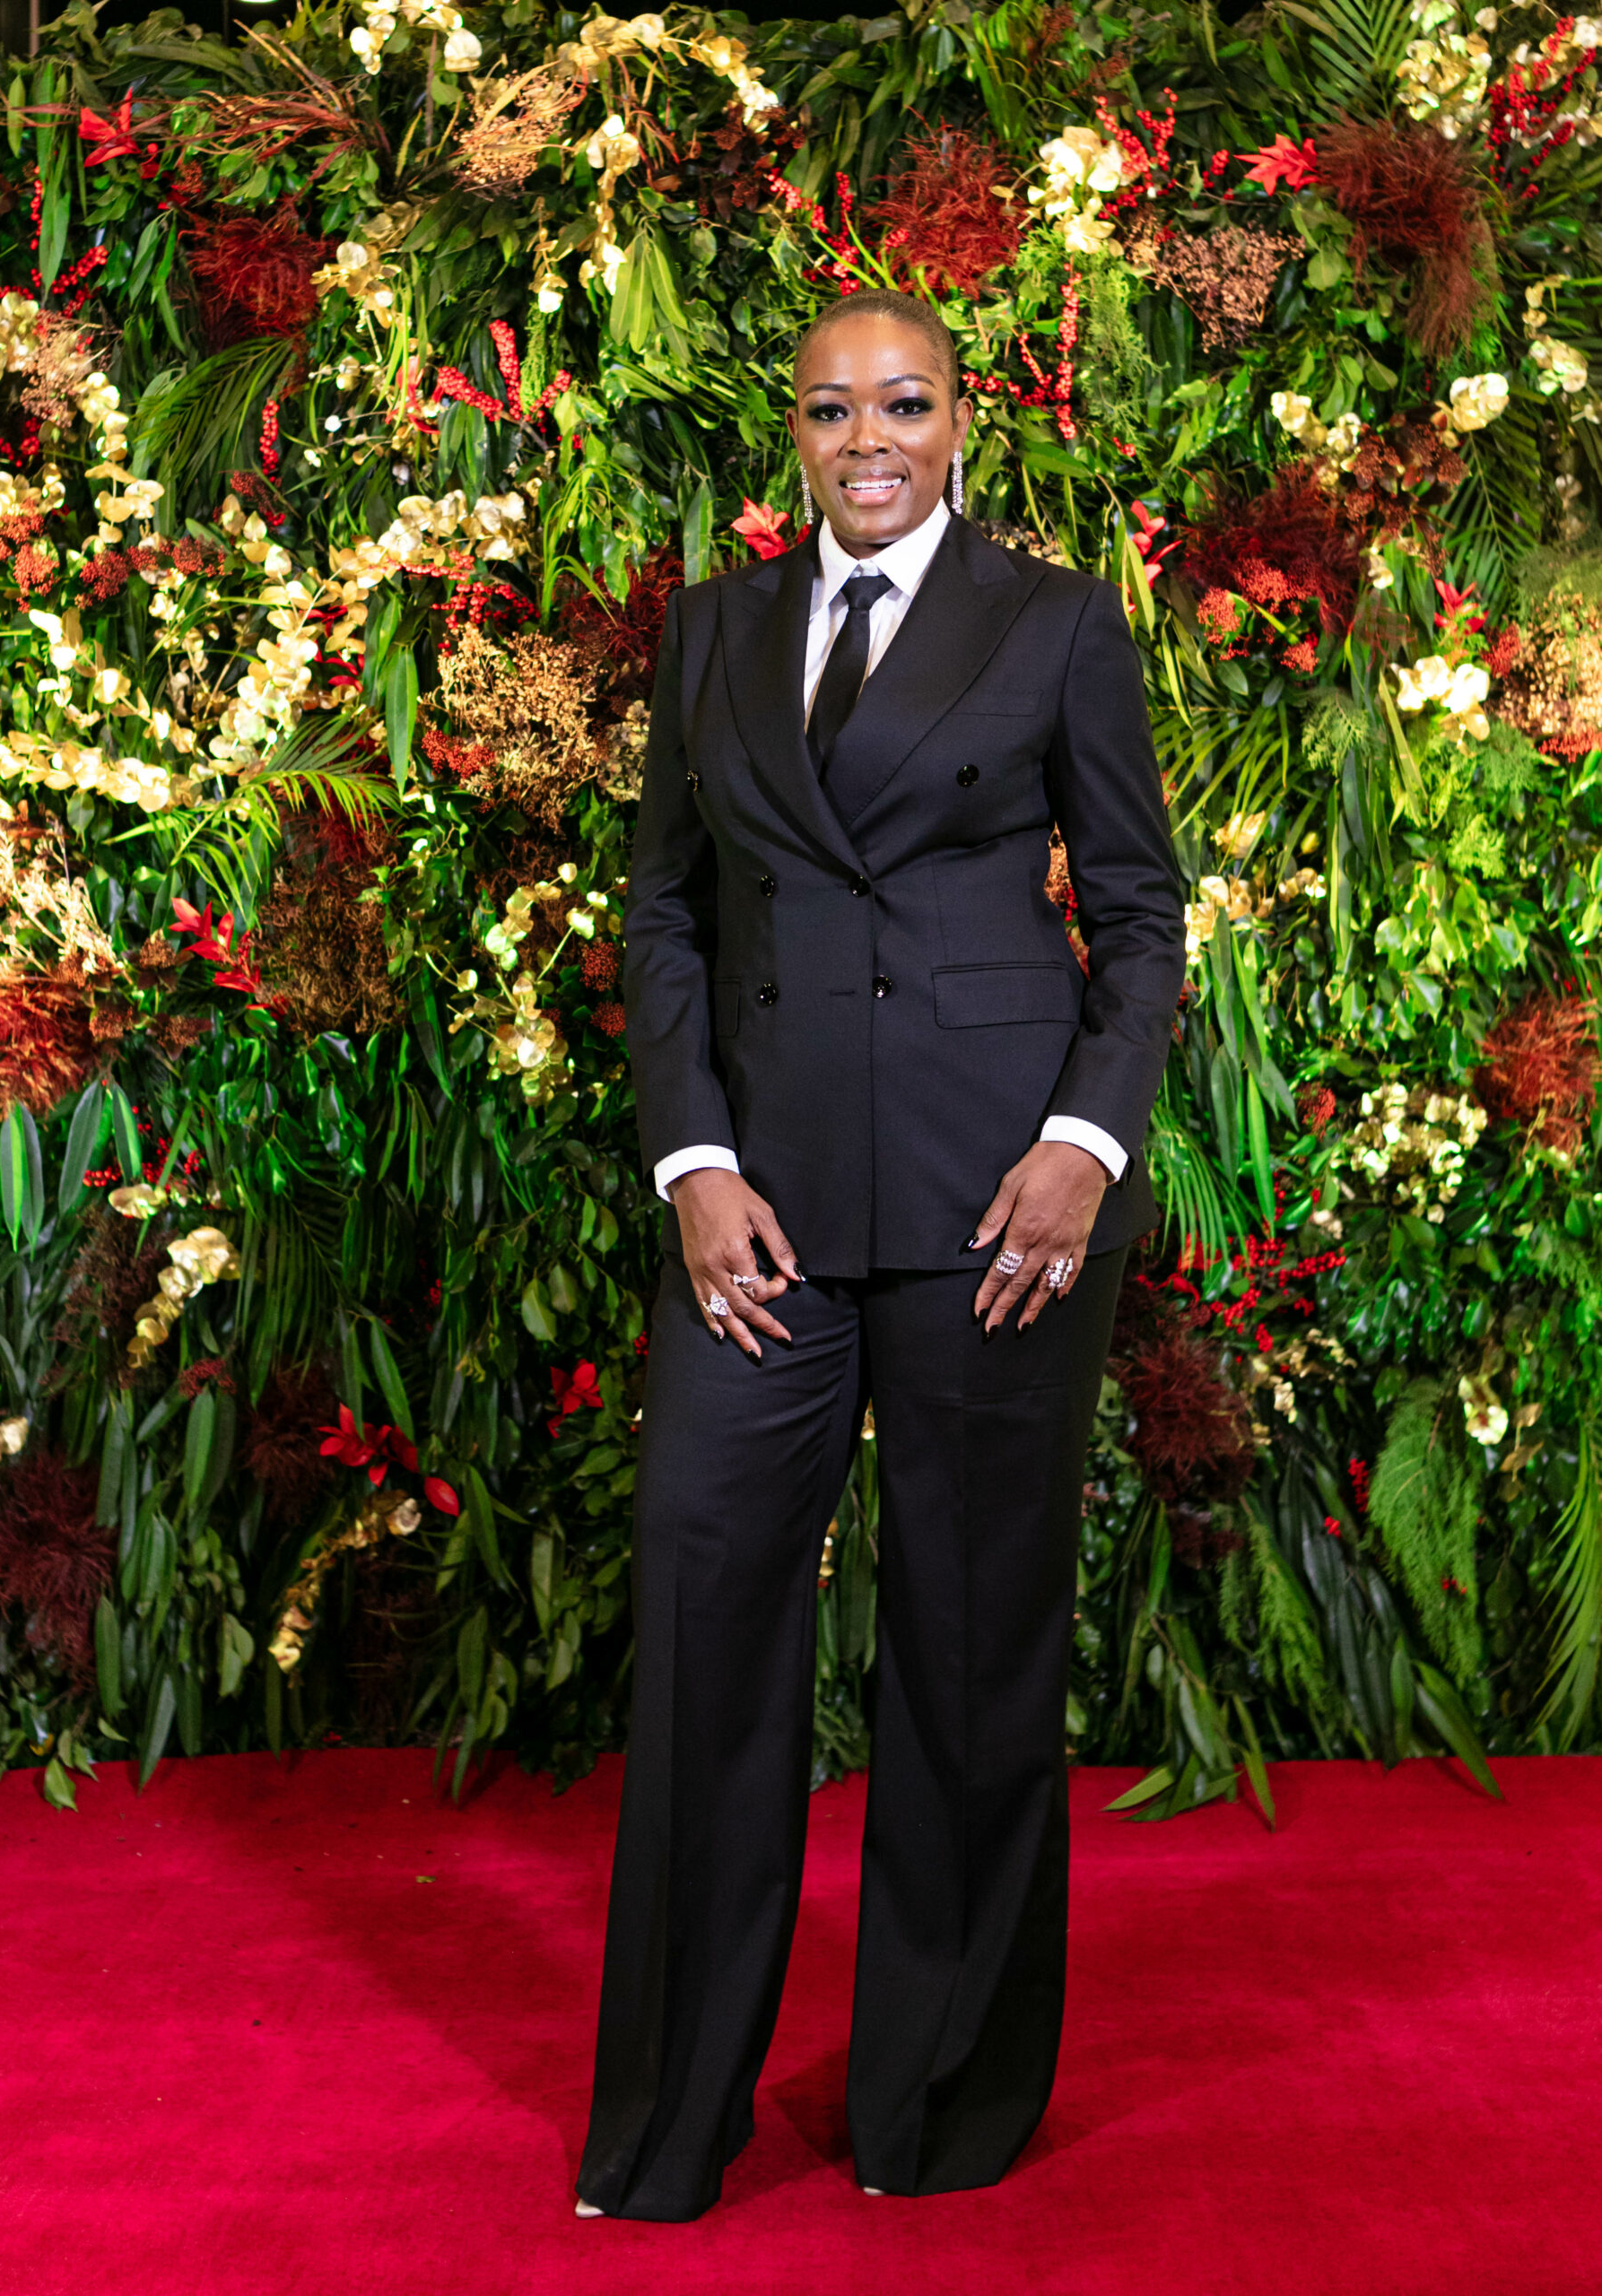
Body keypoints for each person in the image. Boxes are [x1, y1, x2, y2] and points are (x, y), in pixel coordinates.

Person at [574, 287, 1187, 2222]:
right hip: (756, 1207)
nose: (868, 442)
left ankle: (943, 2103)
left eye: (903, 404)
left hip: (998, 1204)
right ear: (795, 429)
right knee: (705, 1619)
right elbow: (664, 918)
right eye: (833, 409)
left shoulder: (1055, 620)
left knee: (972, 1643)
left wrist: (1084, 1147)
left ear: (958, 424)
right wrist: (691, 1162)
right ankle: (672, 2120)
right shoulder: (715, 629)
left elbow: (1142, 913)